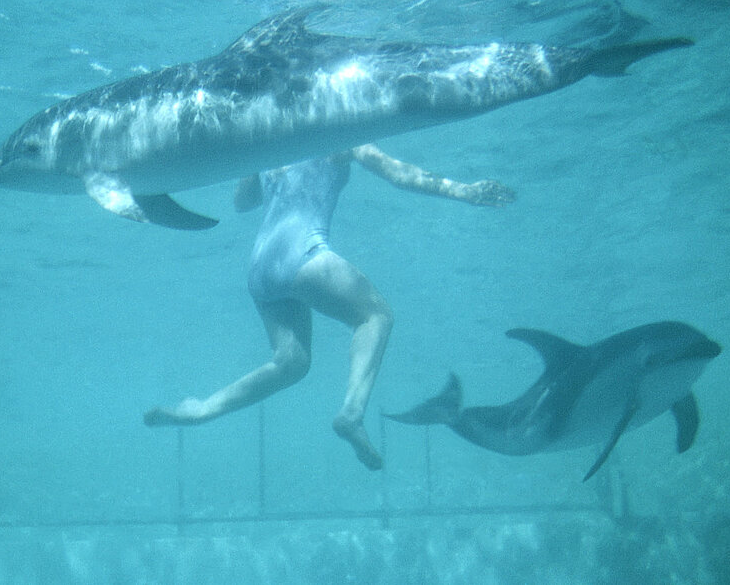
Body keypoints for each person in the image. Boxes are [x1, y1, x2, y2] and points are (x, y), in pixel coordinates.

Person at [144, 144, 514, 470]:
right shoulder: (339, 133)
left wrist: (260, 162)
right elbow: (398, 175)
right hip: (303, 254)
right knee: (376, 315)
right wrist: (465, 191)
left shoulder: (275, 141)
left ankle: (204, 409)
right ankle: (352, 413)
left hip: (260, 265)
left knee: (291, 362)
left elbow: (242, 203)